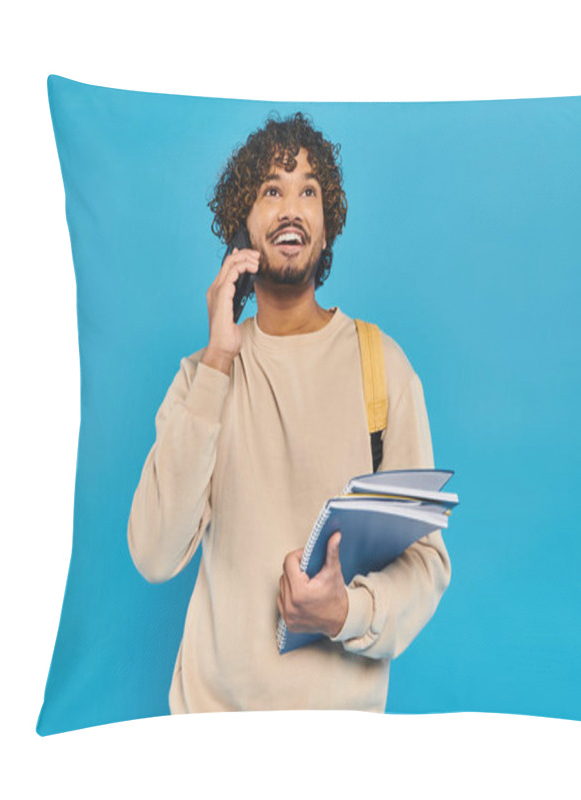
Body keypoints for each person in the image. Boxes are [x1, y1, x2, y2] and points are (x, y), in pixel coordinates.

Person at [127, 112, 451, 714]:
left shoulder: (382, 365)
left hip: (339, 737)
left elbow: (426, 564)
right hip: (212, 732)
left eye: (309, 191)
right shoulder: (203, 376)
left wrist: (346, 612)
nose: (291, 207)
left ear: (326, 230)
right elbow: (153, 552)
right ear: (243, 229)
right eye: (270, 190)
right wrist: (219, 363)